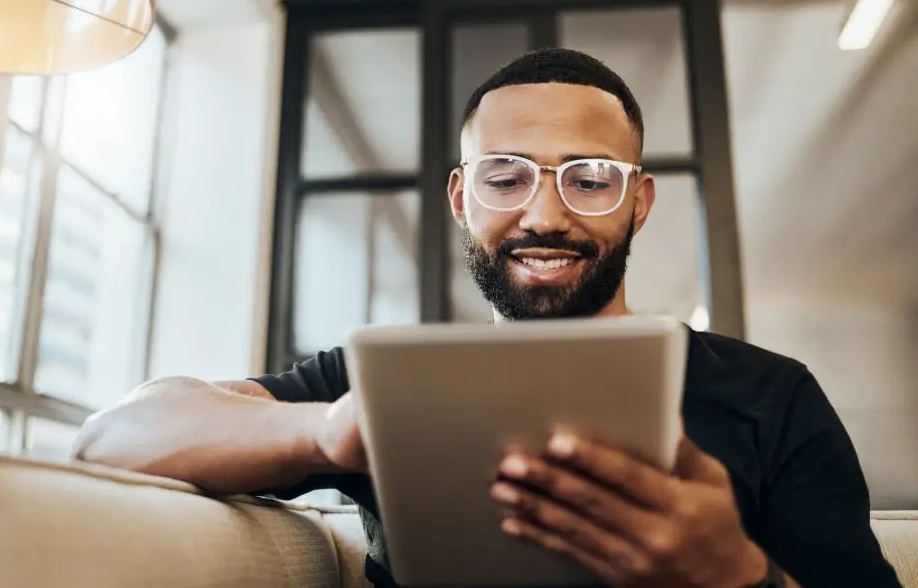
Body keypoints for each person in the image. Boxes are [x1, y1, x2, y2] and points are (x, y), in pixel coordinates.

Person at [73, 48, 902, 588]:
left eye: (590, 178)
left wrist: (734, 576)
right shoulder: (383, 385)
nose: (545, 214)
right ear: (463, 198)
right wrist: (333, 431)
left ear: (639, 203)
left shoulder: (773, 395)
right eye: (506, 177)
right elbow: (113, 438)